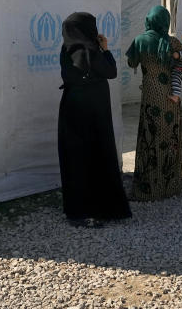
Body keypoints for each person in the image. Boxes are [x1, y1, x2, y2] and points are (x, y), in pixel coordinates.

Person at [57, 12, 131, 225]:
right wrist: (105, 50)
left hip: (72, 109)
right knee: (97, 155)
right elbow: (111, 72)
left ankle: (77, 210)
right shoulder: (89, 50)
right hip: (93, 113)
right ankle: (97, 209)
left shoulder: (67, 49)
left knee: (76, 158)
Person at [126, 5, 182, 201]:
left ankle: (147, 187)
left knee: (150, 135)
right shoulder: (173, 42)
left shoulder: (140, 40)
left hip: (151, 94)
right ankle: (170, 185)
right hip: (171, 96)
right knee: (169, 135)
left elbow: (131, 63)